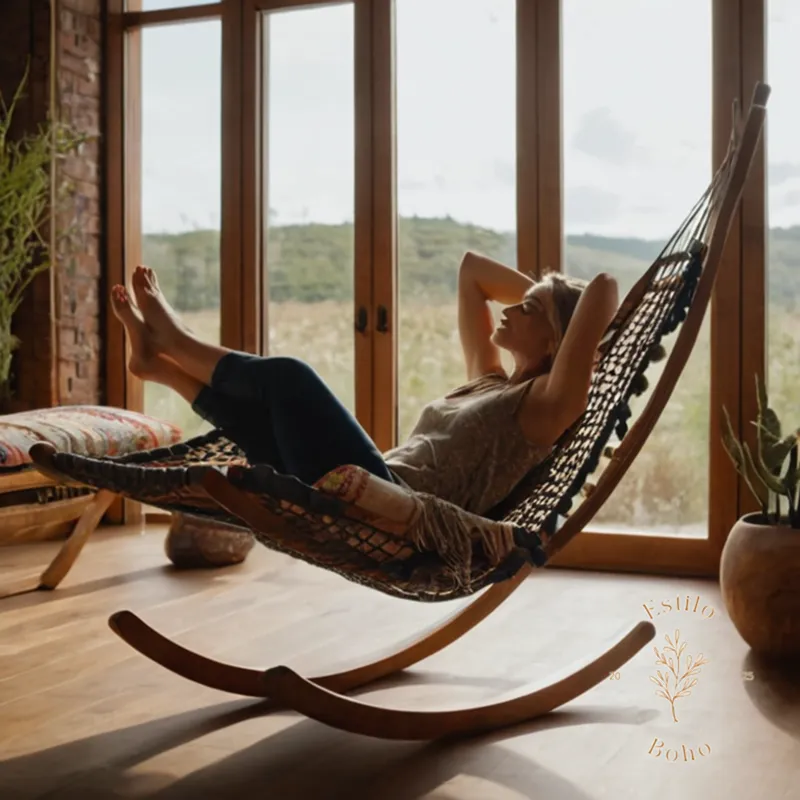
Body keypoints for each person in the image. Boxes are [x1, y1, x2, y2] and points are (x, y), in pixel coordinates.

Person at [111, 255, 618, 518]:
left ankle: (176, 340)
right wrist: (541, 297)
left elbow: (604, 290)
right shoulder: (487, 381)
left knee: (290, 377)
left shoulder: (543, 408)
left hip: (394, 506)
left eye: (525, 310)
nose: (507, 309)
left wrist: (560, 305)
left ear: (559, 340)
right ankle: (163, 368)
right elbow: (471, 272)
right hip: (366, 481)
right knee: (266, 419)